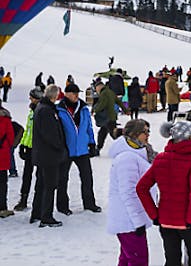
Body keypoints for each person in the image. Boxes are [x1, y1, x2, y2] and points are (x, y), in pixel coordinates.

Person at [137, 119, 191, 266]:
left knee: (172, 260)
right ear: (186, 137)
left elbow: (141, 188)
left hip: (167, 221)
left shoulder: (161, 159)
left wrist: (154, 214)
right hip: (189, 222)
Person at [107, 119, 155, 266]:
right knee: (138, 260)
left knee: (127, 258)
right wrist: (138, 222)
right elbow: (128, 193)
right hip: (129, 221)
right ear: (134, 134)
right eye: (144, 132)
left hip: (131, 220)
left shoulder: (138, 153)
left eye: (148, 131)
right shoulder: (126, 158)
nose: (147, 135)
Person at [56, 83, 101, 214]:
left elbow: (89, 127)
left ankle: (90, 204)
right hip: (66, 150)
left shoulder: (83, 109)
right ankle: (62, 206)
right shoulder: (59, 110)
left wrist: (92, 143)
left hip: (82, 149)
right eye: (74, 93)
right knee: (62, 179)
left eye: (78, 93)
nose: (76, 96)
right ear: (66, 94)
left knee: (87, 177)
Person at [31, 84, 68, 227]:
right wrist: (60, 147)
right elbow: (50, 134)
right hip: (49, 155)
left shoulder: (42, 108)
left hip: (43, 154)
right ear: (54, 96)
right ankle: (46, 217)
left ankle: (37, 213)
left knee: (41, 185)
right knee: (49, 185)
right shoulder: (46, 111)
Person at [13, 88, 43, 212]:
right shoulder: (32, 110)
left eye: (31, 97)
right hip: (30, 148)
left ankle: (38, 200)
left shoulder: (41, 111)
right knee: (27, 175)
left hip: (39, 149)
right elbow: (28, 131)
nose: (30, 99)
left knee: (39, 175)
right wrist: (23, 145)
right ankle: (23, 199)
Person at [93, 78, 123, 150]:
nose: (96, 90)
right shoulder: (108, 92)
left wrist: (95, 109)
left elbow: (102, 105)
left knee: (113, 133)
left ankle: (124, 145)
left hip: (108, 117)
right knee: (102, 133)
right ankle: (98, 148)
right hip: (108, 117)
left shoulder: (104, 93)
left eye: (97, 88)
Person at [0, 100, 13, 217]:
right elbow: (11, 138)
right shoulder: (5, 119)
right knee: (2, 183)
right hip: (2, 155)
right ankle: (2, 208)